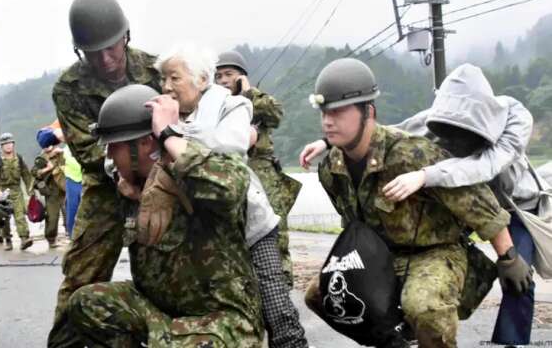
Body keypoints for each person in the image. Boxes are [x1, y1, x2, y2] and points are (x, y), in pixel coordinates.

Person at [300, 63, 540, 347]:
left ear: (369, 113)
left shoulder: (413, 155)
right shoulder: (331, 166)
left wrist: (509, 258)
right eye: (325, 113)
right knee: (320, 294)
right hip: (381, 252)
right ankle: (393, 340)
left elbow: (480, 204)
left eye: (338, 112)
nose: (328, 121)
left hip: (436, 251)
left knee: (424, 306)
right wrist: (328, 143)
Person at [67, 84, 263, 346]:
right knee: (87, 302)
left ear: (146, 142)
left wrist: (170, 135)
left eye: (115, 147)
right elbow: (110, 168)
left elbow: (233, 184)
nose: (109, 155)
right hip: (162, 315)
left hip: (220, 323)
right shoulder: (132, 184)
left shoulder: (193, 173)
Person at [151, 44, 308, 348]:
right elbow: (121, 153)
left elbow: (229, 147)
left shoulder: (232, 105)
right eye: (163, 79)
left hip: (249, 224)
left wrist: (169, 134)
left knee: (275, 303)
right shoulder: (158, 110)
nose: (166, 86)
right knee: (212, 309)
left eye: (174, 78)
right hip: (200, 234)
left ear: (200, 79)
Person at [47, 0, 161, 346]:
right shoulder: (69, 88)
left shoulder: (157, 70)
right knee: (80, 276)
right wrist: (122, 177)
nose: (107, 59)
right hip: (106, 188)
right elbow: (87, 149)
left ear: (126, 36)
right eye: (94, 53)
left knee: (166, 274)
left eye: (112, 47)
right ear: (80, 51)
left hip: (163, 186)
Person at [215, 50, 302, 287]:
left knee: (274, 234)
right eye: (218, 75)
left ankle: (280, 287)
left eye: (229, 74)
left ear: (241, 76)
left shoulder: (255, 101)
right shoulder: (214, 106)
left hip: (262, 173)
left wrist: (248, 92)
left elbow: (276, 113)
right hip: (232, 174)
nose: (223, 80)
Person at [0, 132, 33, 251]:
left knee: (20, 215)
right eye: (5, 144)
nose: (8, 146)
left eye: (10, 143)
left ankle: (24, 238)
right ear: (2, 146)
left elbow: (26, 174)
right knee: (5, 218)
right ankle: (7, 239)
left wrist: (30, 189)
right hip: (3, 193)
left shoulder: (19, 158)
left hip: (16, 191)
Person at [34, 127, 67, 249]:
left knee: (69, 213)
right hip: (51, 191)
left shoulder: (61, 153)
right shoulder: (41, 158)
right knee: (52, 217)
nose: (48, 147)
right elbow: (35, 173)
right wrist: (47, 169)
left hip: (64, 188)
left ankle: (71, 234)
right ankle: (51, 238)